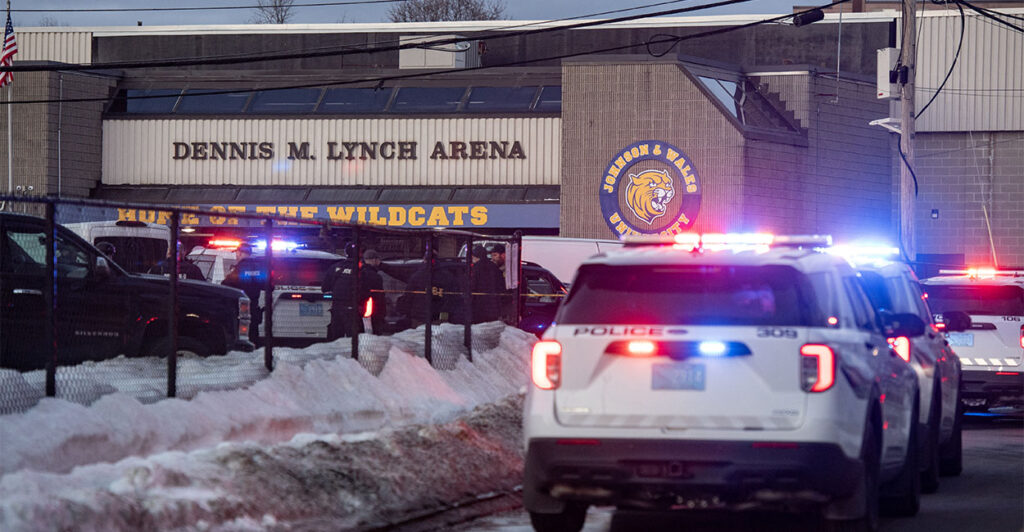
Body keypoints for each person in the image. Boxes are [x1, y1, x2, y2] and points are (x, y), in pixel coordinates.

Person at [322, 247, 385, 339]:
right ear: (360, 255)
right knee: (354, 339)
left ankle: (336, 353)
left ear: (346, 252)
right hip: (354, 309)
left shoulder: (335, 268)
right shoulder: (362, 270)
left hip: (337, 307)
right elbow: (369, 291)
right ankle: (353, 353)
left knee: (335, 338)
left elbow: (325, 287)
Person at [222, 243, 262, 340]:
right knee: (253, 335)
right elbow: (269, 286)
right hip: (254, 308)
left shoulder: (238, 269)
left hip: (240, 308)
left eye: (236, 254)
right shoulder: (259, 268)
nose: (236, 256)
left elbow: (225, 284)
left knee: (242, 337)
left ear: (239, 253)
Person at [469, 244, 504, 323]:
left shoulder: (475, 268)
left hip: (479, 307)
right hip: (493, 308)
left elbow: (472, 286)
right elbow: (501, 286)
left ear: (475, 256)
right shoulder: (494, 268)